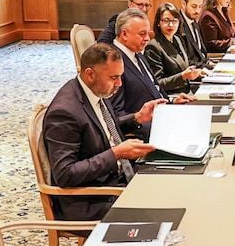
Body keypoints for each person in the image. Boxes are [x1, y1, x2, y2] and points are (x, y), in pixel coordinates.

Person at [43, 43, 161, 221]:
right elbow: (65, 174)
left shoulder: (95, 90)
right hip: (92, 199)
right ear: (90, 74)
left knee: (175, 182)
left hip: (118, 179)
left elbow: (102, 129)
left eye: (120, 77)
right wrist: (116, 154)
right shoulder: (64, 112)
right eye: (114, 77)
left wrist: (137, 118)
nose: (119, 84)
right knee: (163, 207)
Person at [110, 8, 192, 135]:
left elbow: (153, 88)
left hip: (164, 117)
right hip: (146, 131)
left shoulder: (137, 54)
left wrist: (171, 101)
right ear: (124, 34)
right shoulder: (112, 62)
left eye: (148, 34)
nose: (147, 38)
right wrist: (139, 119)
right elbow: (115, 116)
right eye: (142, 34)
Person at [144, 2, 206, 95]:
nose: (171, 25)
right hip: (171, 97)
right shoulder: (153, 47)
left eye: (174, 21)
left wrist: (196, 73)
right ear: (158, 23)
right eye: (166, 20)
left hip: (187, 92)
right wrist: (183, 76)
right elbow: (157, 83)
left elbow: (184, 67)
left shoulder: (178, 39)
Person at [177, 0, 209, 67]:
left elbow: (201, 51)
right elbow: (184, 60)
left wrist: (208, 63)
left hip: (203, 66)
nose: (198, 11)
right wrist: (205, 66)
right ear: (183, 4)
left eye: (200, 7)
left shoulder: (194, 22)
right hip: (193, 70)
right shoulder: (177, 24)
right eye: (194, 6)